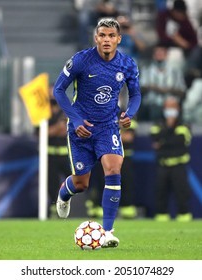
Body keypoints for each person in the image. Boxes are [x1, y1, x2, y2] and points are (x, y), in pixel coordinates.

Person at [53, 17, 141, 248]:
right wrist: (75, 118)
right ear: (96, 37)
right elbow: (59, 89)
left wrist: (129, 113)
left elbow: (136, 95)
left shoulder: (127, 64)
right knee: (81, 184)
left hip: (108, 127)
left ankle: (108, 232)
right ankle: (65, 192)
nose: (106, 39)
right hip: (81, 129)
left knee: (113, 169)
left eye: (111, 36)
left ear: (119, 39)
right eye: (102, 35)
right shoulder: (81, 60)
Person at [150, 96, 192, 222]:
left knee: (182, 193)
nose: (170, 110)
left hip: (179, 165)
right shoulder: (157, 123)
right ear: (164, 108)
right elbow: (154, 136)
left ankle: (184, 216)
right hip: (162, 165)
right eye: (168, 107)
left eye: (172, 107)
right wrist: (169, 135)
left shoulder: (185, 124)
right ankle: (162, 217)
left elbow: (180, 141)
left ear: (178, 108)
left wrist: (163, 141)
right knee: (160, 192)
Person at [86, 119, 138, 219]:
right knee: (103, 183)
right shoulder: (101, 114)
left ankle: (127, 209)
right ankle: (101, 208)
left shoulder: (127, 115)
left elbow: (128, 137)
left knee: (126, 183)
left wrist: (109, 135)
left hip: (124, 158)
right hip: (106, 158)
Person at [138, 42, 186, 122]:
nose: (159, 55)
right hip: (152, 103)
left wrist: (169, 90)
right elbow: (140, 88)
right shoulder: (147, 70)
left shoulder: (175, 71)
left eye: (162, 53)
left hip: (171, 104)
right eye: (157, 53)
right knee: (154, 109)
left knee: (172, 109)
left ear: (167, 55)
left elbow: (182, 91)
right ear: (153, 55)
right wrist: (154, 88)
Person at [47, 85, 70, 217]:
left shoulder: (65, 109)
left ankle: (70, 207)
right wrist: (56, 129)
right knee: (52, 185)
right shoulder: (44, 113)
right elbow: (41, 134)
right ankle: (54, 210)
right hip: (50, 155)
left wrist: (54, 130)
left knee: (76, 181)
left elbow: (65, 130)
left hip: (66, 155)